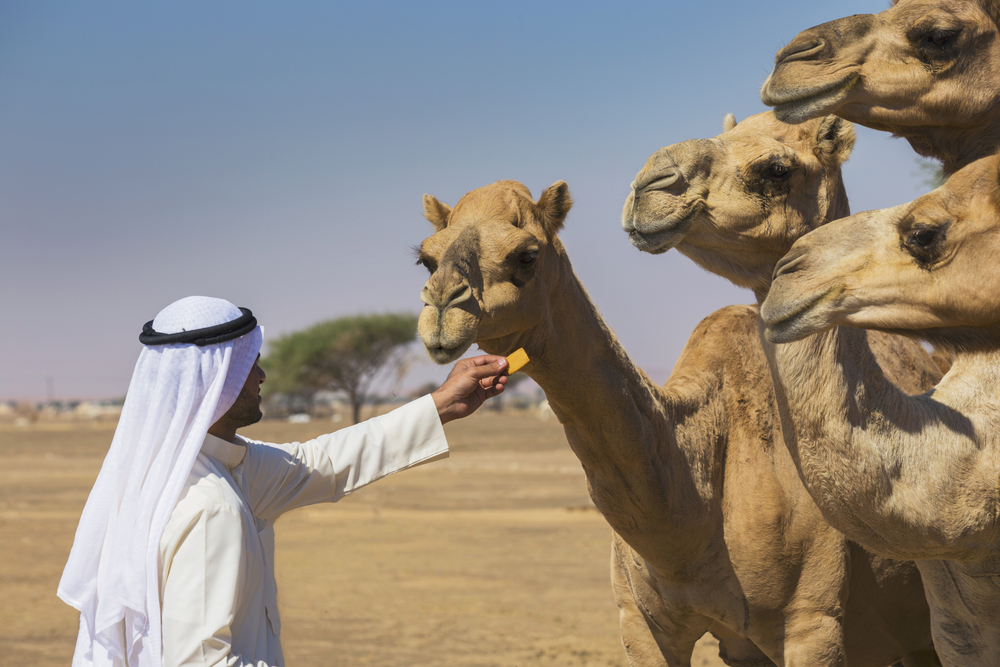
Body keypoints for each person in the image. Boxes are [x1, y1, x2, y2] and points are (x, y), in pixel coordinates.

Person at [58, 296, 508, 667]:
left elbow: (322, 462)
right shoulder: (211, 505)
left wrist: (443, 404)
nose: (261, 376)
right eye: (249, 365)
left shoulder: (178, 470)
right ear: (218, 380)